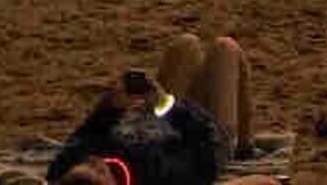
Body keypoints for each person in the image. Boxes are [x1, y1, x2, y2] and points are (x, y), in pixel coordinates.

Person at [48, 33, 271, 185]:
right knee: (225, 48)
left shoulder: (67, 167)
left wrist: (110, 108)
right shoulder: (155, 175)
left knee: (186, 45)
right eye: (98, 171)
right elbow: (204, 143)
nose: (95, 161)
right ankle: (244, 145)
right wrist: (167, 106)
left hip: (159, 120)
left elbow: (87, 134)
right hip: (208, 134)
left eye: (86, 164)